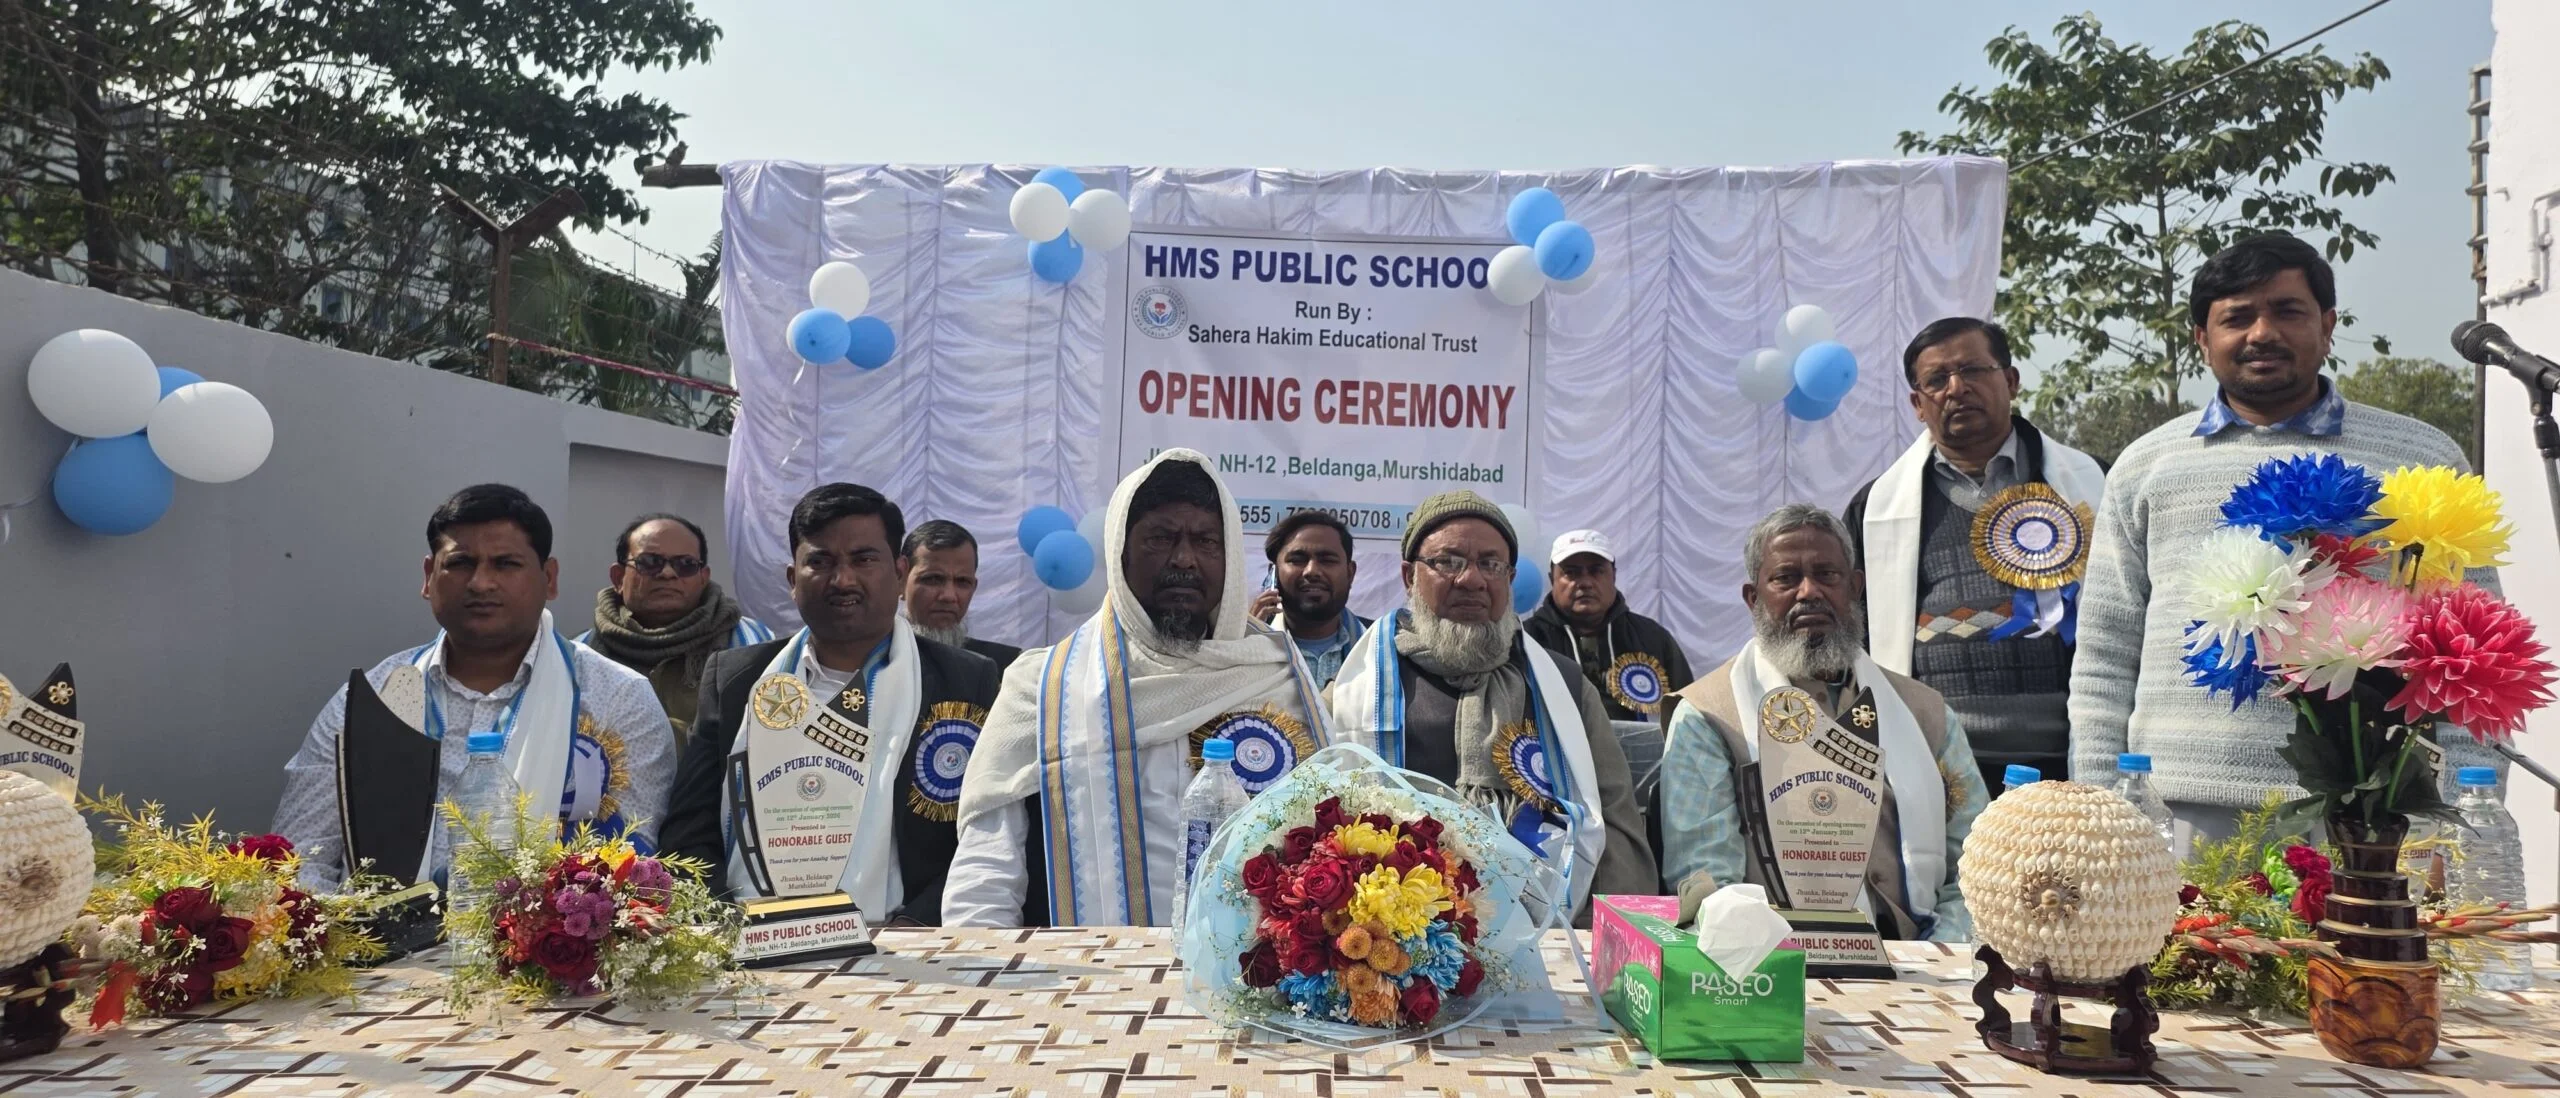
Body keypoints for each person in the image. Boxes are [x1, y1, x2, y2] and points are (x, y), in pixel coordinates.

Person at [2070, 233, 2504, 840]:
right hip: (2174, 814)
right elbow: (2105, 653)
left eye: (2287, 311)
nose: (2262, 333)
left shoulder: (2420, 457)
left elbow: (2474, 653)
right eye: (2237, 318)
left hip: (2370, 818)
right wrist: (2099, 808)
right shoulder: (2148, 464)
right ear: (2201, 339)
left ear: (2327, 327)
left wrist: (2459, 818)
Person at [943, 450, 1329, 927]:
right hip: (1088, 970)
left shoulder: (1278, 671)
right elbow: (986, 874)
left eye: (1206, 541)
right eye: (1161, 538)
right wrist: (981, 960)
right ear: (1120, 553)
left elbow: (1338, 839)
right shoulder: (1044, 687)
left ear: (1229, 558)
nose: (1184, 559)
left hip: (1260, 970)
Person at [273, 484, 677, 890]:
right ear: (428, 577)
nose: (481, 583)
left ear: (549, 579)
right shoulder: (371, 699)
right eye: (461, 563)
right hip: (373, 929)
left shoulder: (619, 698)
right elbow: (299, 858)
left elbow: (633, 870)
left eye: (506, 564)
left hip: (539, 929)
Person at [656, 485, 1003, 925]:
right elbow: (688, 833)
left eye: (864, 559)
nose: (843, 580)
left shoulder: (965, 680)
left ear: (899, 574)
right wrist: (728, 925)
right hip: (751, 938)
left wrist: (912, 929)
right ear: (792, 579)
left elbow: (987, 833)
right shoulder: (736, 679)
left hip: (904, 940)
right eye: (820, 562)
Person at [1656, 504, 1987, 942]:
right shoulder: (1708, 715)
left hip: (1924, 953)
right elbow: (1708, 884)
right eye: (1786, 578)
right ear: (1753, 598)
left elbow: (1979, 865)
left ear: (1855, 587)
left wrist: (1940, 954)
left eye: (1826, 575)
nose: (1809, 591)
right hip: (1774, 958)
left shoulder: (1924, 712)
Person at [1327, 492, 1657, 916]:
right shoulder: (1359, 689)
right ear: (1409, 576)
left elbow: (1615, 824)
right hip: (1391, 934)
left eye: (1491, 564)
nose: (1472, 579)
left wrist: (1603, 934)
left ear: (1510, 578)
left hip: (1548, 931)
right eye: (1449, 562)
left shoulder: (1565, 687)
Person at [1840, 318, 2105, 793]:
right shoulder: (1876, 506)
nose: (1956, 389)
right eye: (1937, 380)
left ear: (2011, 380)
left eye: (1972, 370)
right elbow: (1854, 633)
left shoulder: (2091, 483)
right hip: (1940, 762)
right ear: (1917, 404)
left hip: (2068, 756)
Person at [575, 513, 774, 747]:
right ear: (618, 578)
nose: (668, 573)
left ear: (703, 578)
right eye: (650, 562)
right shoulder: (579, 655)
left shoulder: (754, 644)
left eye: (686, 565)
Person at [1523, 529, 1695, 725]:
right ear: (1552, 579)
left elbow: (1690, 715)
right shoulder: (1527, 640)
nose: (1585, 582)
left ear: (1613, 575)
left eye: (1596, 571)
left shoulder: (1652, 638)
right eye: (1571, 572)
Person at [1247, 510, 1369, 688]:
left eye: (1327, 560)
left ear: (1350, 573)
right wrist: (1247, 646)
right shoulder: (1242, 644)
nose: (1312, 571)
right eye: (1297, 560)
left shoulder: (1381, 646)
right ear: (1273, 573)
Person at [900, 519, 1022, 670]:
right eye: (933, 579)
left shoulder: (1006, 667)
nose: (949, 596)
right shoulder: (874, 659)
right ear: (900, 582)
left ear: (973, 588)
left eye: (962, 582)